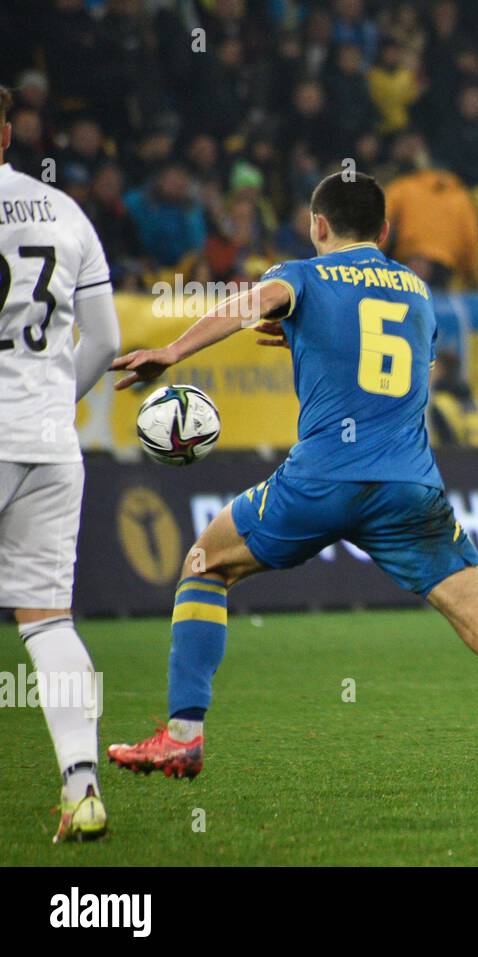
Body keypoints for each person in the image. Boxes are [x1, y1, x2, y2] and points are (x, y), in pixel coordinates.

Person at [106, 172, 478, 813]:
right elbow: (387, 364)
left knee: (205, 564)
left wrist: (172, 352)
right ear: (386, 231)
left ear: (317, 225)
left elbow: (247, 305)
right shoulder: (418, 291)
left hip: (319, 482)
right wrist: (309, 339)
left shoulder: (303, 274)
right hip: (410, 491)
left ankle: (182, 737)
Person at [0, 85, 122, 841]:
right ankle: (82, 785)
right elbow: (104, 341)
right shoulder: (65, 211)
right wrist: (52, 401)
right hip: (49, 440)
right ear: (7, 132)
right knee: (48, 624)